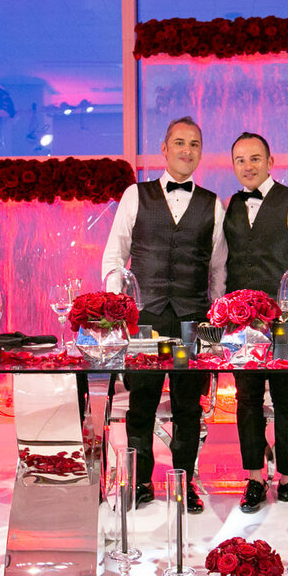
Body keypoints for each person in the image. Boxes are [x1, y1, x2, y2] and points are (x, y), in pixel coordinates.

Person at [101, 116, 225, 513]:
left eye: (194, 144)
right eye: (179, 142)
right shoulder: (135, 195)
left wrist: (217, 319)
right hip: (146, 316)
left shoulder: (212, 203)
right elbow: (114, 255)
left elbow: (219, 266)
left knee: (190, 406)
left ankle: (184, 482)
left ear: (200, 152)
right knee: (142, 403)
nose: (187, 150)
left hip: (196, 318)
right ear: (165, 149)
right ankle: (140, 483)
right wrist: (118, 310)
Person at [224, 132, 288, 512]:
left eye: (255, 158)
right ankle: (254, 477)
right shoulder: (229, 206)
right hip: (241, 324)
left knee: (287, 398)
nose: (248, 166)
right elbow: (223, 266)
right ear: (233, 165)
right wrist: (219, 317)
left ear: (271, 161)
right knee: (247, 399)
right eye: (240, 160)